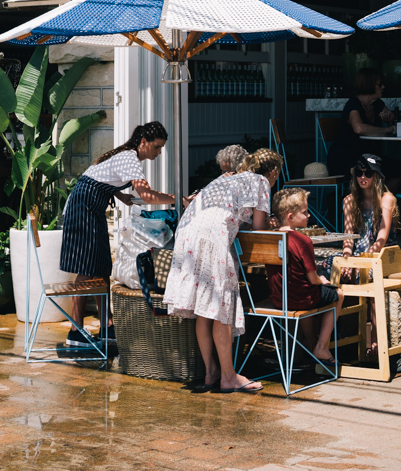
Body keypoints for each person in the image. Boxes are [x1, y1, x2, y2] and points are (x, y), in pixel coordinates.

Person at [165, 148, 282, 393]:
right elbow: (258, 228)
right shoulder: (261, 181)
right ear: (273, 172)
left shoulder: (227, 177)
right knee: (221, 307)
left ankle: (211, 372)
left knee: (204, 309)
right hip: (212, 237)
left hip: (186, 234)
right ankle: (228, 377)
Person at [56, 121, 175, 356]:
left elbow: (100, 175)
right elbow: (147, 195)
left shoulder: (126, 156)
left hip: (92, 206)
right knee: (86, 267)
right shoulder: (130, 158)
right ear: (143, 143)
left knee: (102, 266)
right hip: (83, 208)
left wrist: (119, 194)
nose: (159, 152)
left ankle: (107, 326)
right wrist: (176, 197)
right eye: (157, 147)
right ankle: (75, 331)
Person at [265, 187, 341, 373]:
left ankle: (309, 345)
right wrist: (321, 280)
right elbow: (312, 278)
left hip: (278, 299)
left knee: (310, 297)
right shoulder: (302, 240)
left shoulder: (269, 237)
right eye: (305, 212)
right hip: (300, 299)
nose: (308, 215)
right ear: (290, 216)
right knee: (338, 293)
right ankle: (321, 347)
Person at [340, 152, 399, 368]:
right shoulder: (349, 200)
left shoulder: (386, 198)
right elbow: (348, 237)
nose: (363, 177)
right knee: (334, 271)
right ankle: (342, 341)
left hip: (382, 253)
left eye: (368, 173)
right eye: (359, 173)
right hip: (358, 253)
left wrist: (361, 261)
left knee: (373, 279)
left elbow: (382, 238)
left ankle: (375, 340)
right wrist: (348, 258)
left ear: (377, 176)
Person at [327, 69, 396, 181]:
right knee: (378, 171)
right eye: (379, 84)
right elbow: (359, 128)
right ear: (369, 85)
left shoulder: (377, 104)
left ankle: (379, 198)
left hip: (368, 157)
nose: (383, 87)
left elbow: (392, 118)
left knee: (398, 170)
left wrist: (390, 119)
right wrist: (388, 129)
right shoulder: (353, 104)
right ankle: (370, 198)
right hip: (346, 158)